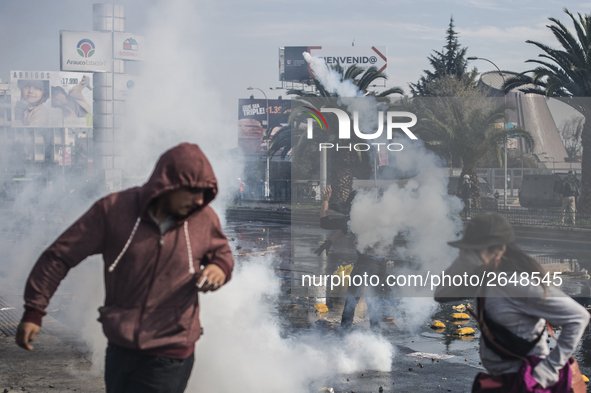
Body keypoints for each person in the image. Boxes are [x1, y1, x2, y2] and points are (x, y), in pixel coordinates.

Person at [16, 143, 234, 393]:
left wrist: (219, 267)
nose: (199, 200)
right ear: (169, 183)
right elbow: (59, 256)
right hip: (120, 346)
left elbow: (222, 253)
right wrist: (34, 310)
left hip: (172, 349)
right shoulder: (113, 210)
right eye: (193, 190)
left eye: (205, 192)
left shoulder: (204, 218)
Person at [435, 214, 589, 392]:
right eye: (468, 250)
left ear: (500, 249)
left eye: (476, 250)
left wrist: (549, 369)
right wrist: (463, 259)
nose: (471, 256)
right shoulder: (484, 278)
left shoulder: (519, 284)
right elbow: (442, 293)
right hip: (503, 380)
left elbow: (579, 317)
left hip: (527, 381)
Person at [315, 186, 386, 331]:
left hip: (366, 263)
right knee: (374, 299)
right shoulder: (379, 214)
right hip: (382, 263)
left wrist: (325, 201)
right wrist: (331, 241)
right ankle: (376, 333)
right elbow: (346, 228)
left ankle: (345, 331)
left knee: (352, 298)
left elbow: (325, 223)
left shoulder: (354, 217)